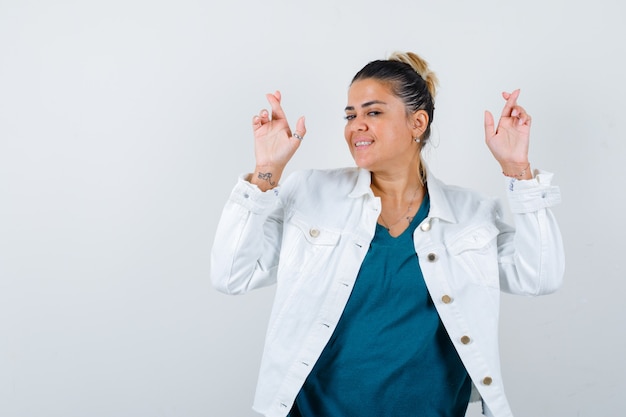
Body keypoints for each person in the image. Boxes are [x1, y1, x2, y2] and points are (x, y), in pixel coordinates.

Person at [210, 51, 564, 417]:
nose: (356, 125)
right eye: (350, 115)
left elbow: (539, 276)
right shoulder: (312, 194)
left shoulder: (469, 214)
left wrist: (517, 169)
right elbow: (232, 274)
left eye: (373, 112)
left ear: (418, 123)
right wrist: (266, 171)